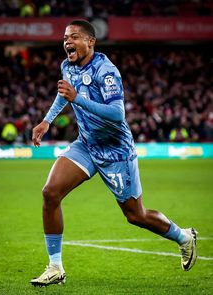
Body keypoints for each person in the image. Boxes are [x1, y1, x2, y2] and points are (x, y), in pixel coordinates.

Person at [31, 20, 198, 287]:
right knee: (50, 192)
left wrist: (79, 99)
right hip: (86, 145)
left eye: (74, 37)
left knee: (136, 215)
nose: (67, 42)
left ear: (90, 41)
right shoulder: (67, 66)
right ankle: (55, 267)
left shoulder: (106, 71)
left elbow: (117, 114)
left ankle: (184, 237)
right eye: (65, 38)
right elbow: (64, 94)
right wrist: (47, 120)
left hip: (116, 151)